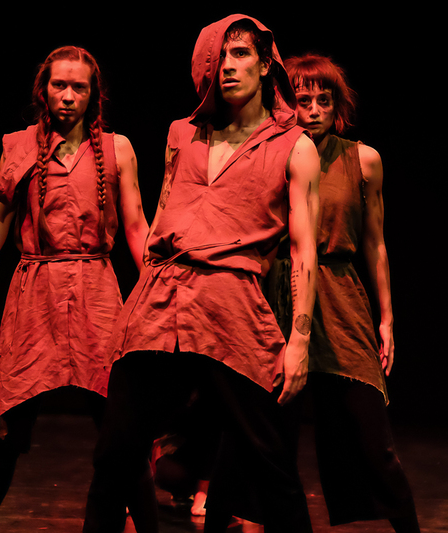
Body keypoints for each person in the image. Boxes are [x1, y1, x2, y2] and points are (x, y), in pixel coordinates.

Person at [82, 15, 320, 533]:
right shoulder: (182, 135)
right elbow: (163, 210)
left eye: (240, 53)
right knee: (114, 455)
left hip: (233, 306)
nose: (227, 66)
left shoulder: (294, 147)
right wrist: (137, 302)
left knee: (269, 460)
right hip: (159, 301)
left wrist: (299, 341)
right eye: (218, 57)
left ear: (265, 63)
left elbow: (304, 250)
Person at [0, 46, 149, 533]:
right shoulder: (18, 146)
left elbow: (136, 227)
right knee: (8, 429)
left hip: (97, 293)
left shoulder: (117, 149)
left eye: (79, 87)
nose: (68, 96)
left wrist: (156, 291)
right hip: (35, 294)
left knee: (121, 429)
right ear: (44, 90)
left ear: (93, 94)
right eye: (60, 85)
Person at [263, 53, 420, 532]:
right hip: (280, 292)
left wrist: (387, 318)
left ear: (337, 107)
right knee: (270, 437)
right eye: (302, 100)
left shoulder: (362, 160)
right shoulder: (270, 155)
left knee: (372, 436)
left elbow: (375, 242)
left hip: (340, 294)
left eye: (323, 101)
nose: (312, 110)